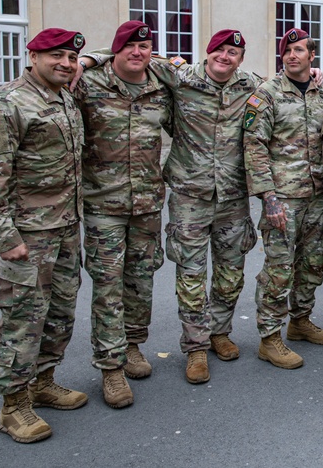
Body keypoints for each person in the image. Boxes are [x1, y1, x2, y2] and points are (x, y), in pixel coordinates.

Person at [79, 28, 262, 385]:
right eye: (219, 51)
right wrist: (88, 58)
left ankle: (219, 333)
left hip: (233, 196)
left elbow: (283, 86)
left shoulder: (250, 86)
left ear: (241, 59)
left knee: (230, 273)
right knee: (191, 275)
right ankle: (195, 347)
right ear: (207, 52)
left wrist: (314, 73)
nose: (225, 57)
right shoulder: (179, 76)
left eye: (233, 53)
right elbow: (131, 54)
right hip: (189, 196)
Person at [0, 28, 87, 443]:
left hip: (65, 229)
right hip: (25, 237)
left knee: (58, 315)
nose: (66, 63)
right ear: (32, 55)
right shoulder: (5, 103)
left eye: (72, 58)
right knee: (22, 322)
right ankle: (13, 406)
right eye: (56, 55)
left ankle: (42, 382)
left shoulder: (63, 97)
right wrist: (6, 239)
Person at [74, 21, 172, 408]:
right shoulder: (89, 83)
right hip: (104, 204)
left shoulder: (160, 84)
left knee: (140, 280)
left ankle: (132, 346)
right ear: (114, 50)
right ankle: (110, 367)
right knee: (108, 286)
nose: (138, 52)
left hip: (147, 203)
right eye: (129, 45)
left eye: (145, 46)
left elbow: (201, 70)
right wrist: (88, 56)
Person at [242, 28, 323, 370]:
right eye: (287, 50)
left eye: (299, 50)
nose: (292, 55)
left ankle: (300, 321)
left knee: (312, 264)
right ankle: (269, 337)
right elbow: (254, 146)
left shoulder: (322, 95)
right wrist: (268, 198)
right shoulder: (265, 95)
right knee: (279, 270)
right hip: (282, 198)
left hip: (316, 196)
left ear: (312, 56)